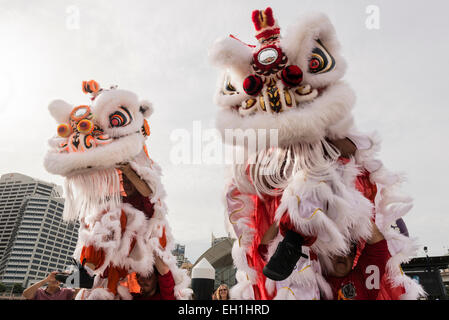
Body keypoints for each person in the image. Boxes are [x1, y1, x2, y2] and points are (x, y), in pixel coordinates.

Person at [325, 221, 390, 300]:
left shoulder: (365, 281)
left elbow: (378, 246)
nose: (344, 255)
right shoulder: (310, 270)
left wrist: (358, 216)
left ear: (354, 259)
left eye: (350, 252)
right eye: (339, 250)